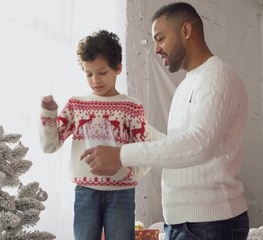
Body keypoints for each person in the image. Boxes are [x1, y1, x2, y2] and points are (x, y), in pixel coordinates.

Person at [81, 2, 250, 240]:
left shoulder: (218, 77)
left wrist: (120, 155)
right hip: (184, 222)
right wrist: (136, 130)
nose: (156, 49)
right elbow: (180, 145)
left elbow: (198, 145)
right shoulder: (187, 84)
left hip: (211, 223)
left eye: (160, 38)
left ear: (186, 31)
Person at [39, 30, 160, 240]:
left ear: (118, 68)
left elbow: (144, 152)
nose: (95, 80)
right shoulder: (76, 105)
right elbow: (50, 145)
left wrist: (126, 173)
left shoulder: (131, 107)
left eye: (102, 72)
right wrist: (49, 113)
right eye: (89, 73)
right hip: (85, 191)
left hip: (122, 193)